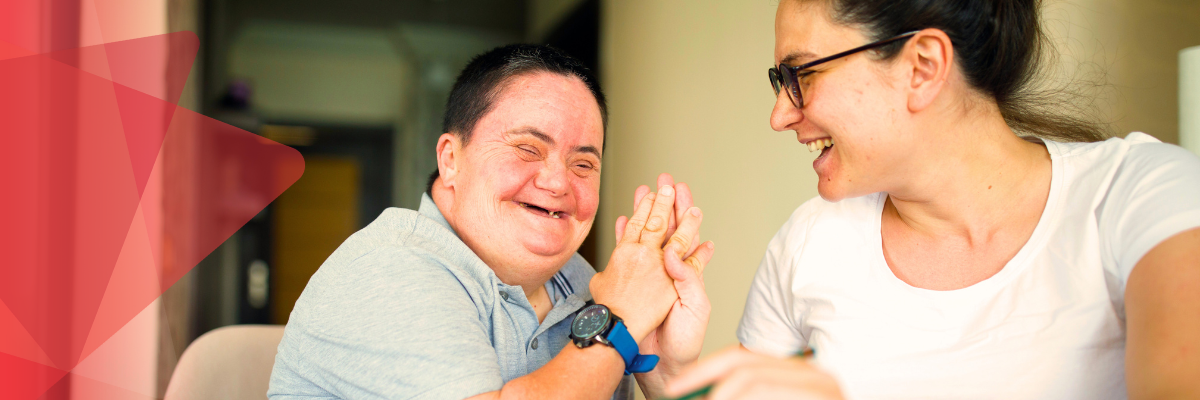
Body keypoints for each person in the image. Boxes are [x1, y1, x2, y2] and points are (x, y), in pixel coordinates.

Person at [664, 0, 1200, 399]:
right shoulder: (806, 244)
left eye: (799, 74)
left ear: (921, 66)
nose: (779, 114)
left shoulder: (1145, 197)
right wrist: (669, 373)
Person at [267, 44, 716, 400]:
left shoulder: (586, 286)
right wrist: (619, 321)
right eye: (527, 148)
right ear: (450, 160)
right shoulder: (387, 268)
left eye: (583, 164)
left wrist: (666, 378)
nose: (558, 181)